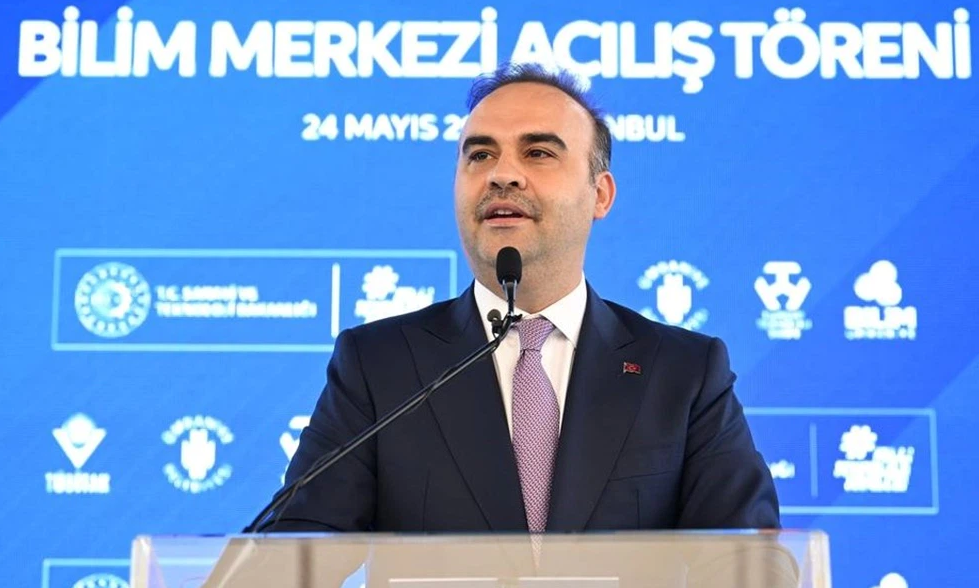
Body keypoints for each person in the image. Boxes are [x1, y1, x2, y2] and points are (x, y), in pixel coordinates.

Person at [256, 62, 780, 533]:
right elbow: (295, 553)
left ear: (600, 194)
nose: (502, 174)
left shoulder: (684, 373)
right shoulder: (379, 366)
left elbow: (747, 562)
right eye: (480, 154)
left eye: (538, 152)